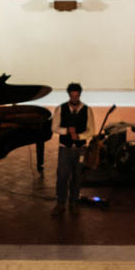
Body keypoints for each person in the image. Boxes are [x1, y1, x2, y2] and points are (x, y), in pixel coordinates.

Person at [52, 82, 95, 216]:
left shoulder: (87, 110)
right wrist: (66, 131)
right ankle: (60, 203)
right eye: (72, 96)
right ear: (69, 95)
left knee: (77, 177)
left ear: (80, 95)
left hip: (80, 149)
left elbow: (91, 130)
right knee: (62, 176)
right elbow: (54, 127)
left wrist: (80, 136)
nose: (74, 99)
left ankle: (74, 202)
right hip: (65, 148)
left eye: (77, 96)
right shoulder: (60, 108)